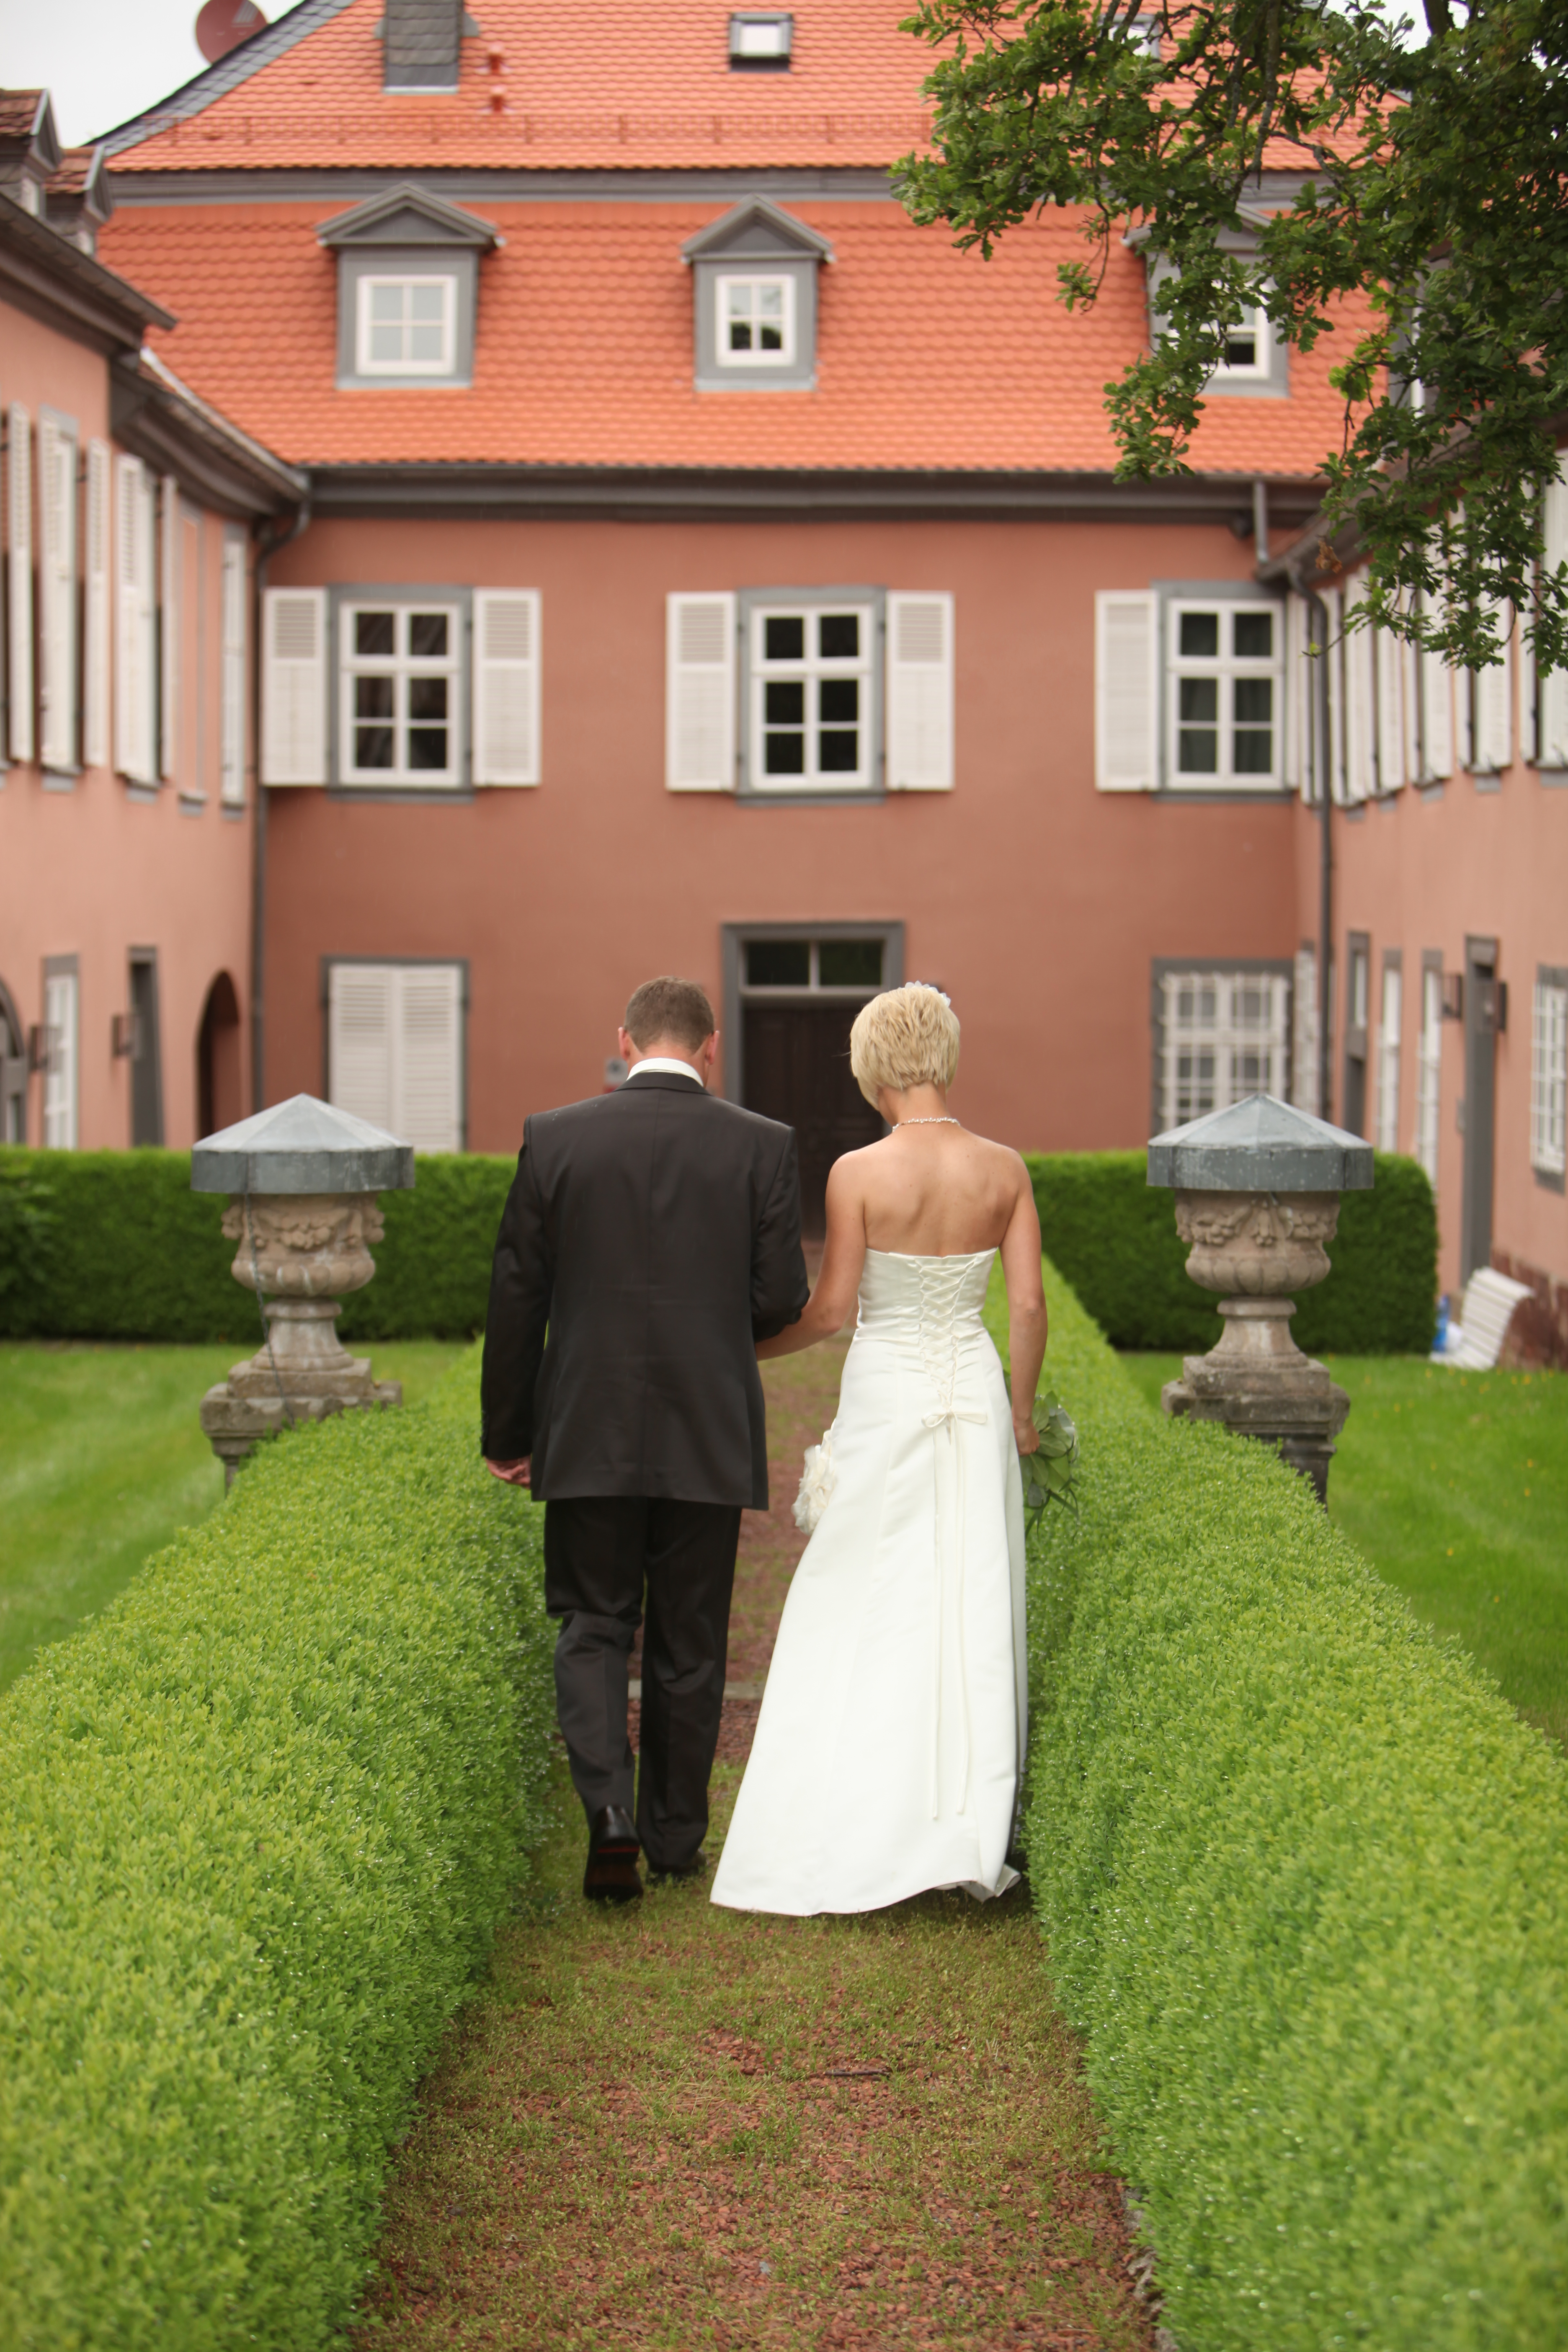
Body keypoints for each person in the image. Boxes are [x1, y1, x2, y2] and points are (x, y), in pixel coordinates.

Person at [710, 983, 1046, 1917]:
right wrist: (1021, 1415)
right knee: (966, 1595)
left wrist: (739, 1347)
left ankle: (852, 1814)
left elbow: (829, 1313)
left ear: (873, 1068)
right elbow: (1025, 1306)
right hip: (972, 1392)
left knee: (858, 1589)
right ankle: (962, 1825)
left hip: (887, 1392)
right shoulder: (1005, 1169)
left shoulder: (857, 1172)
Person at [480, 976, 809, 1904]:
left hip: (588, 1421)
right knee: (690, 1637)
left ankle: (607, 1812)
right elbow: (780, 1295)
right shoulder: (763, 1145)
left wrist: (509, 1432)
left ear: (624, 1041)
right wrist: (714, 1332)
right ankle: (673, 1839)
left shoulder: (554, 1138)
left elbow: (516, 1297)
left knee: (594, 1623)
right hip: (708, 1424)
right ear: (711, 1048)